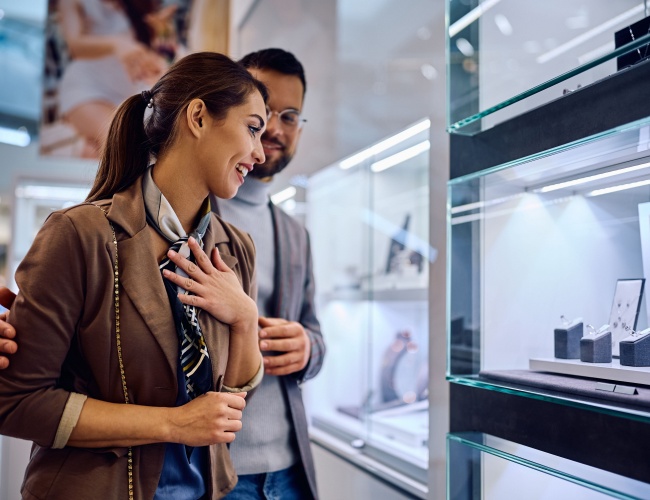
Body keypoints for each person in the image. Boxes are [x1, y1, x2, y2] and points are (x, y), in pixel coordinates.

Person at [0, 51, 268, 499]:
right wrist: (175, 423)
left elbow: (229, 407)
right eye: (253, 127)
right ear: (198, 117)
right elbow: (17, 403)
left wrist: (245, 318)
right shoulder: (80, 234)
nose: (260, 153)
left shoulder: (237, 248)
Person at [216, 48, 325, 500]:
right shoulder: (185, 212)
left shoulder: (295, 233)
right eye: (262, 113)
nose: (275, 128)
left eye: (290, 115)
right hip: (214, 471)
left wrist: (307, 348)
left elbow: (315, 331)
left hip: (290, 469)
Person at [55, 0, 179, 157]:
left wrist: (164, 30)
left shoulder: (134, 6)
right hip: (87, 88)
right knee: (124, 145)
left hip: (129, 91)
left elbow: (160, 54)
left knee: (144, 145)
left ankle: (93, 148)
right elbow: (75, 45)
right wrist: (116, 44)